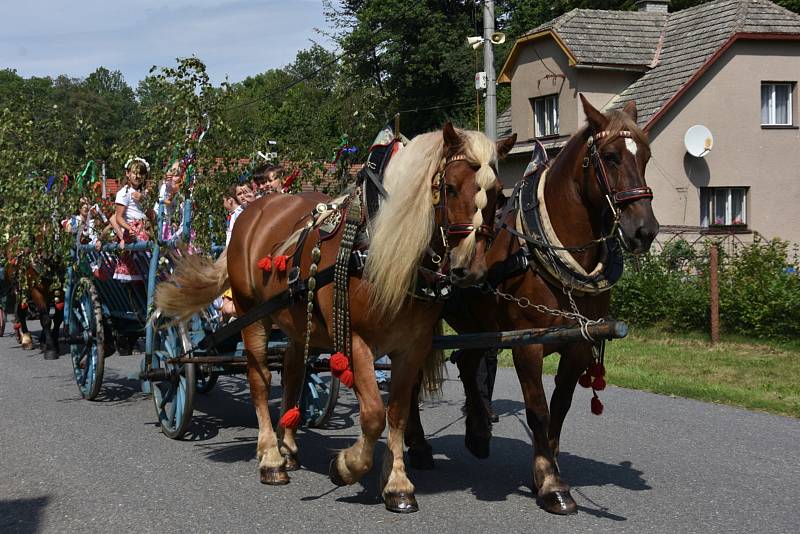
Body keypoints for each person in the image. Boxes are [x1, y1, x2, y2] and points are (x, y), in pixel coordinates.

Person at [111, 158, 153, 281]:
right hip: (133, 229)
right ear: (128, 174)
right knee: (138, 262)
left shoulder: (143, 194)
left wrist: (143, 200)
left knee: (148, 264)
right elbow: (118, 217)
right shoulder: (124, 193)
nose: (137, 176)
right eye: (135, 173)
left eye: (140, 173)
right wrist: (129, 228)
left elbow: (152, 215)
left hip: (145, 228)